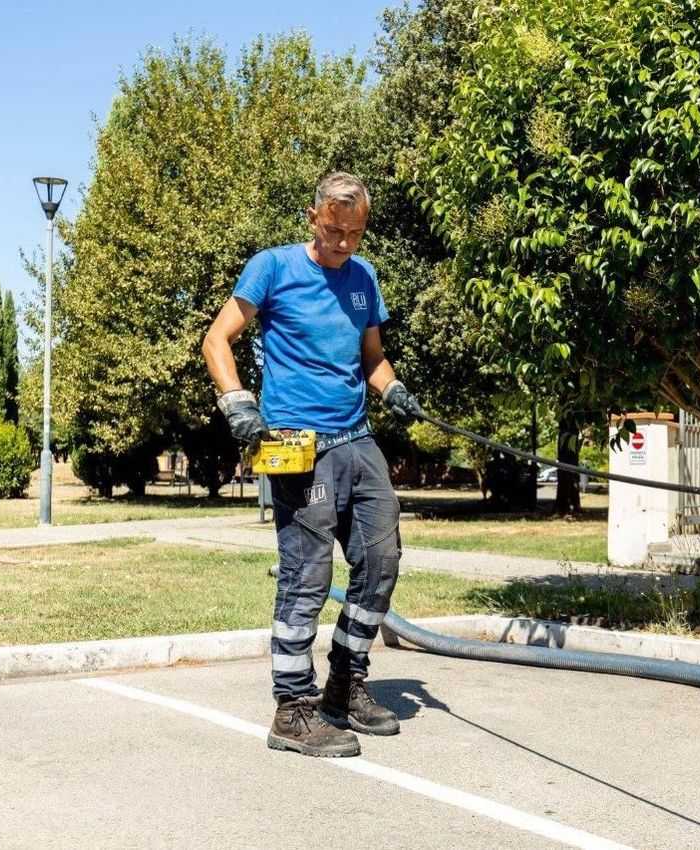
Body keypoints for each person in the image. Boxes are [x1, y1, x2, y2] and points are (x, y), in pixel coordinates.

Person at [202, 171, 422, 758]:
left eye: (355, 232)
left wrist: (393, 388)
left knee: (381, 560)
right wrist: (238, 405)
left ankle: (344, 687)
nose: (344, 243)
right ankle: (292, 710)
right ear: (312, 217)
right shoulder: (272, 268)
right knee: (306, 576)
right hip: (300, 444)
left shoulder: (364, 277)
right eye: (334, 230)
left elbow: (372, 358)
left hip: (357, 439)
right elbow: (216, 341)